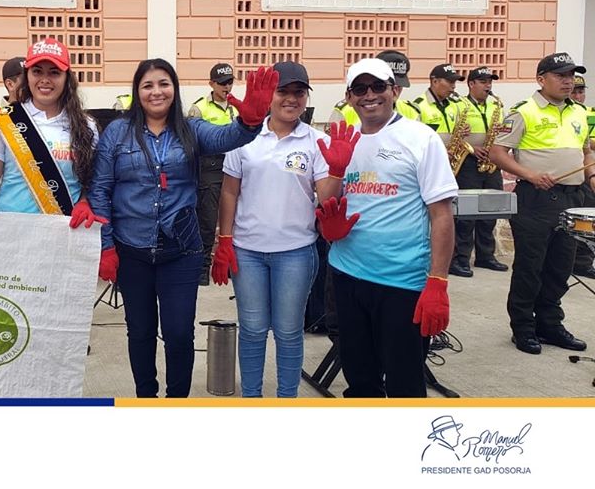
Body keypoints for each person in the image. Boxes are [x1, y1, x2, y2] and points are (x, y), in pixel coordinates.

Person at [87, 59, 278, 398]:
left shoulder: (191, 128)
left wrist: (249, 122)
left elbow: (226, 137)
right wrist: (106, 246)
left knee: (178, 334)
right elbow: (100, 189)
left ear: (174, 89)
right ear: (137, 91)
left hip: (181, 250)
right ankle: (146, 398)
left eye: (164, 83)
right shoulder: (117, 132)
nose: (156, 92)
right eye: (147, 85)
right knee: (140, 332)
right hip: (131, 251)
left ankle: (177, 402)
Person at [210, 61, 351, 397]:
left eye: (299, 92)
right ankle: (252, 398)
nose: (291, 99)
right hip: (248, 252)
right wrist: (224, 239)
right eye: (283, 91)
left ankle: (287, 400)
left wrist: (336, 170)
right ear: (269, 95)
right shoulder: (244, 137)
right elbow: (229, 192)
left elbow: (326, 199)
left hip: (295, 252)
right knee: (253, 330)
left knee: (288, 332)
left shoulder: (317, 141)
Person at [318, 58, 457, 398]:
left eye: (378, 86)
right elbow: (326, 201)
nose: (369, 95)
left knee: (404, 385)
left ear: (394, 91)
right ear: (349, 97)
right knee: (359, 380)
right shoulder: (345, 140)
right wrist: (335, 175)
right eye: (360, 89)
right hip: (347, 276)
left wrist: (438, 282)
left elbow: (441, 215)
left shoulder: (420, 138)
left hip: (401, 282)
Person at [489, 52, 595, 355]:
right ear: (541, 79)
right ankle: (523, 327)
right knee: (530, 267)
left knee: (561, 266)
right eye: (561, 75)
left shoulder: (579, 112)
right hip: (536, 199)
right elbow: (497, 153)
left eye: (571, 75)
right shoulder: (524, 112)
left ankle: (550, 323)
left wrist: (591, 175)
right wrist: (531, 175)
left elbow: (586, 150)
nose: (568, 81)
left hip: (572, 197)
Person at [0, 37, 99, 220]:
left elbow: (92, 180)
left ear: (67, 78)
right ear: (27, 76)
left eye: (54, 73)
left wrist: (85, 202)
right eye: (37, 71)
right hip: (12, 225)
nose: (45, 80)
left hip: (63, 226)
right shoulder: (4, 119)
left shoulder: (86, 125)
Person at [448, 66, 508, 277]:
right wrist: (472, 148)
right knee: (466, 214)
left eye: (490, 82)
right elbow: (454, 135)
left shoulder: (496, 105)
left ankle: (486, 256)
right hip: (468, 163)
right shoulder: (459, 106)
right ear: (471, 84)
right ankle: (460, 259)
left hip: (491, 163)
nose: (488, 86)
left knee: (490, 210)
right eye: (483, 82)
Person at [187, 63, 239, 285]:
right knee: (207, 220)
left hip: (235, 164)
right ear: (211, 84)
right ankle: (202, 268)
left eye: (230, 82)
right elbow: (191, 141)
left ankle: (230, 264)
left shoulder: (236, 108)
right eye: (222, 83)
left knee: (236, 217)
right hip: (209, 165)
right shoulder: (199, 108)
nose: (227, 87)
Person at [329, 50, 421, 127]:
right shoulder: (345, 111)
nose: (371, 96)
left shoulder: (411, 111)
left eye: (399, 85)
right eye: (379, 86)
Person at [571, 75, 595, 279]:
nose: (578, 96)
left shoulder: (590, 113)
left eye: (581, 92)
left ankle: (585, 260)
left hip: (591, 172)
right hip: (576, 173)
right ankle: (578, 262)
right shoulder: (569, 114)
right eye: (574, 92)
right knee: (581, 219)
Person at [414, 63, 464, 145]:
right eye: (450, 82)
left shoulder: (454, 105)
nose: (454, 86)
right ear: (435, 81)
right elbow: (414, 139)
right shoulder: (418, 106)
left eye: (454, 82)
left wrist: (462, 132)